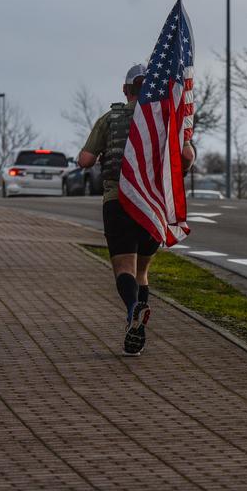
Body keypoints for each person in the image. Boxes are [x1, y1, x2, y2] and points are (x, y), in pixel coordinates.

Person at [77, 64, 195, 356]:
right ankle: (139, 312)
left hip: (118, 201)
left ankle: (133, 311)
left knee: (123, 268)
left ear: (125, 90)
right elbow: (186, 158)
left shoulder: (110, 119)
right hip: (152, 205)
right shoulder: (166, 121)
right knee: (142, 270)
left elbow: (85, 160)